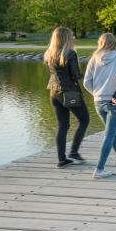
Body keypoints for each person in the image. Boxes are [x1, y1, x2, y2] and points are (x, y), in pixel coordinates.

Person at [83, 32, 116, 179]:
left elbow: (86, 82)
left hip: (98, 102)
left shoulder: (94, 59)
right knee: (109, 134)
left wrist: (96, 94)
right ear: (115, 43)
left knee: (112, 131)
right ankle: (99, 169)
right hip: (115, 102)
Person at [44, 26, 90, 168]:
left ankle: (61, 159)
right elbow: (76, 76)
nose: (73, 38)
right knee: (84, 120)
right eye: (71, 36)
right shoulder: (70, 54)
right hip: (70, 93)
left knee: (62, 126)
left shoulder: (49, 54)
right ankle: (74, 152)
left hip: (53, 93)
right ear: (66, 38)